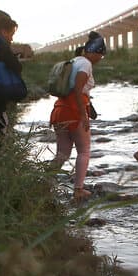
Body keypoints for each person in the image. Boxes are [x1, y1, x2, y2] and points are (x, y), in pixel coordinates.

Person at [50, 31, 105, 202]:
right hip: (74, 110)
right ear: (95, 52)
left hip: (60, 109)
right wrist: (83, 115)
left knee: (62, 153)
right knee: (84, 151)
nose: (100, 59)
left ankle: (45, 182)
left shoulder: (73, 61)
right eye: (101, 55)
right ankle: (79, 189)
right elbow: (78, 88)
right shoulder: (86, 64)